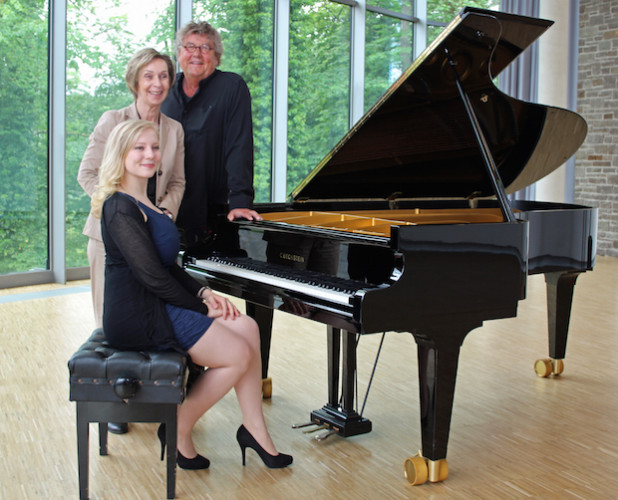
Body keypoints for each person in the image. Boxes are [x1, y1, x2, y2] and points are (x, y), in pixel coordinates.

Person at [91, 119, 292, 470]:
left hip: (158, 302)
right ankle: (179, 426)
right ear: (121, 153)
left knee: (248, 329)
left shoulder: (147, 201)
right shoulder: (119, 207)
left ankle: (254, 429)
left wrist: (204, 292)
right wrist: (201, 308)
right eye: (139, 148)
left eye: (154, 147)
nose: (149, 154)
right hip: (138, 315)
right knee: (237, 354)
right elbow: (152, 276)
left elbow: (168, 266)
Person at [78, 49, 185, 434]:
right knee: (111, 320)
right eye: (148, 76)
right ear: (135, 80)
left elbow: (177, 183)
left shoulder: (173, 130)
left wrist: (161, 214)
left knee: (149, 315)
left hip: (154, 239)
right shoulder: (113, 121)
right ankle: (113, 407)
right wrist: (119, 210)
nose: (156, 83)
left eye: (164, 76)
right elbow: (88, 173)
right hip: (112, 237)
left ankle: (156, 394)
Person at [161, 21, 261, 253]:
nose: (197, 53)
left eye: (205, 48)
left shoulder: (231, 87)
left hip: (211, 211)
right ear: (178, 53)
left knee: (211, 283)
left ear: (216, 58)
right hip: (165, 208)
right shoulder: (165, 88)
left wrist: (240, 202)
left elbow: (239, 146)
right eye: (189, 47)